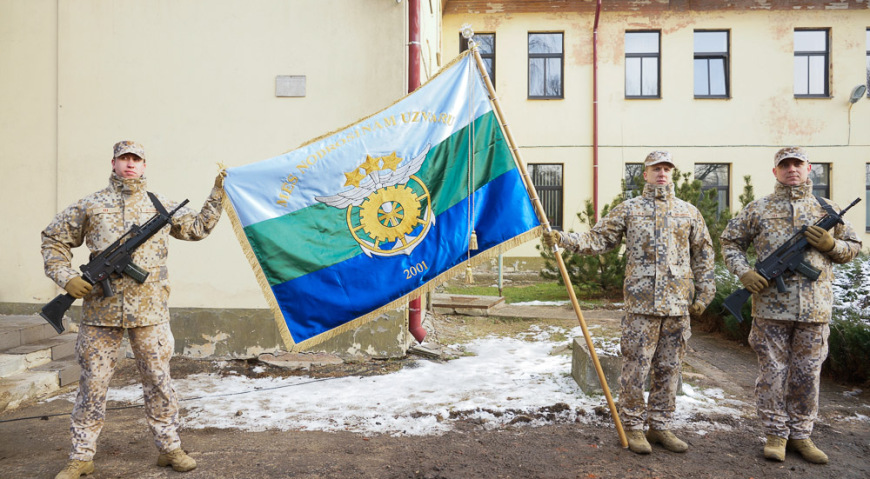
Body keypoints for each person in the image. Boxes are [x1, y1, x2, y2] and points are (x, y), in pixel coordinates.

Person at [42, 141, 225, 479]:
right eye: (123, 159)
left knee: (159, 381)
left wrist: (218, 193)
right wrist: (66, 278)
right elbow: (53, 239)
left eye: (135, 159)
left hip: (150, 312)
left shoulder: (162, 205)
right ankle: (81, 456)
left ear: (144, 165)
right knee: (92, 383)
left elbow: (198, 228)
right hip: (100, 314)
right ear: (113, 163)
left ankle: (169, 448)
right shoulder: (91, 205)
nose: (129, 164)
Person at [543, 151, 715, 454]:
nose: (661, 173)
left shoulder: (689, 212)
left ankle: (660, 425)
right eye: (655, 169)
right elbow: (598, 239)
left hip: (677, 307)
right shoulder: (630, 210)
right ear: (644, 174)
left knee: (669, 368)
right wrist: (564, 239)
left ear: (672, 173)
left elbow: (703, 255)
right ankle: (634, 427)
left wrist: (704, 295)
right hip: (641, 307)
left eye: (666, 168)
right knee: (635, 368)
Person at [720, 147, 861, 465]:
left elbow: (853, 246)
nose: (792, 169)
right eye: (785, 165)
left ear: (809, 168)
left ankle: (801, 435)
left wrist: (831, 244)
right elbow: (730, 241)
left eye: (798, 164)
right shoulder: (759, 209)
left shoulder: (828, 209)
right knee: (772, 374)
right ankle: (775, 435)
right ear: (775, 172)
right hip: (771, 309)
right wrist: (744, 272)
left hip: (814, 311)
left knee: (808, 374)